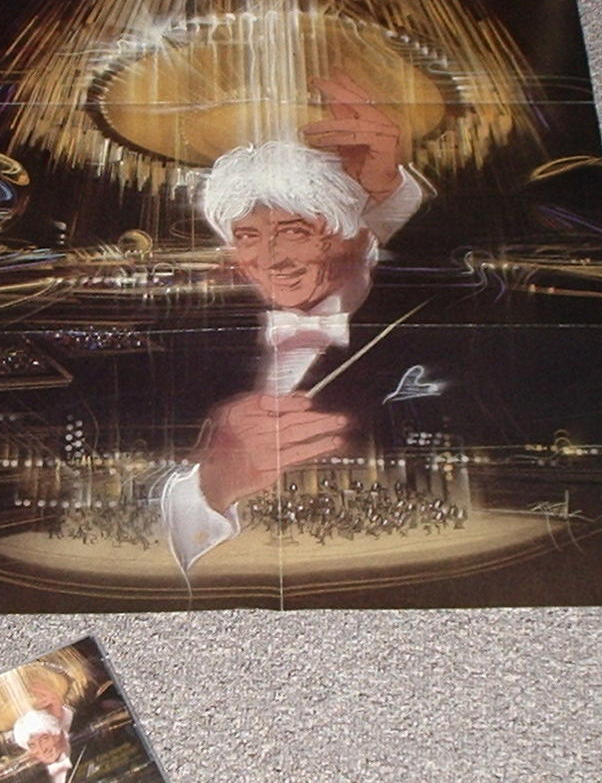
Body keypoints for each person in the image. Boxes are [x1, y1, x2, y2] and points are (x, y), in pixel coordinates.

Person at [158, 75, 430, 571]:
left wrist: (390, 188)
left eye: (294, 232)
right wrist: (213, 486)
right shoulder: (185, 340)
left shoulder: (413, 306)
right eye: (248, 237)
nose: (271, 258)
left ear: (348, 235)